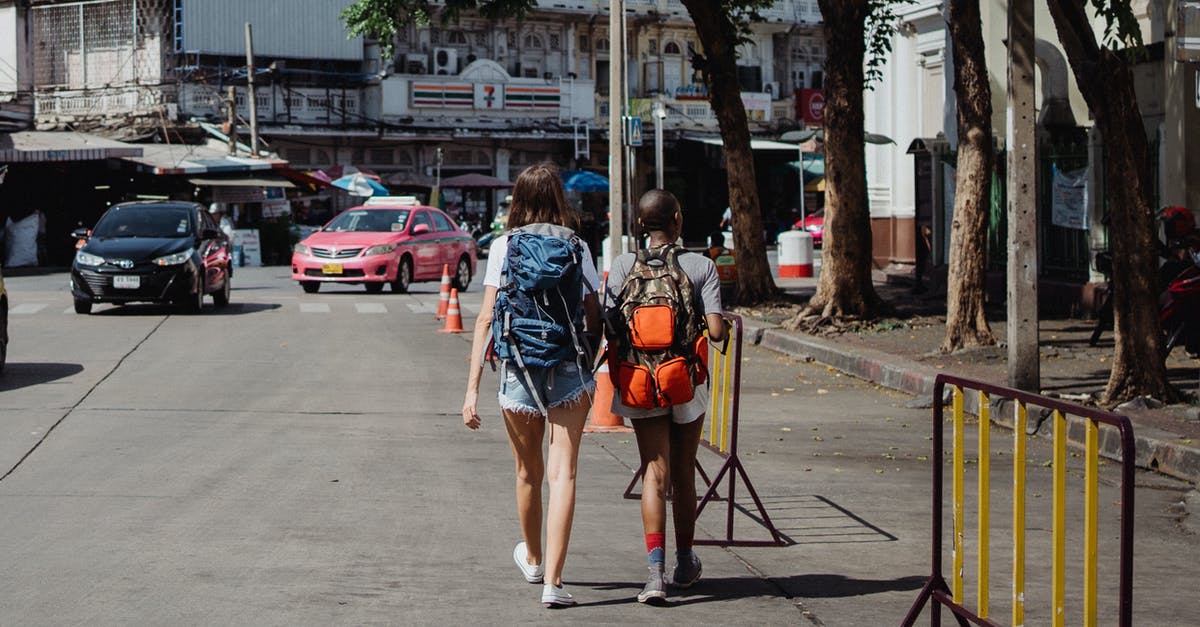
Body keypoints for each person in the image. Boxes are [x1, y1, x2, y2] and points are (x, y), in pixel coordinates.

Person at [461, 163, 602, 608]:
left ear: (518, 200)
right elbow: (593, 312)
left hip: (519, 367)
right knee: (565, 474)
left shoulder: (504, 246)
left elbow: (485, 318)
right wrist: (590, 361)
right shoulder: (578, 246)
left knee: (528, 472)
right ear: (559, 198)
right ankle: (554, 584)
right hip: (568, 368)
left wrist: (470, 391)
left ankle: (535, 558)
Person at [605, 190, 727, 604]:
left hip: (640, 382)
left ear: (640, 225)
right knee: (683, 473)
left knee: (654, 473)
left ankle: (654, 575)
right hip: (684, 383)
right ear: (677, 218)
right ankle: (685, 561)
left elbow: (610, 323)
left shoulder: (623, 266)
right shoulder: (701, 266)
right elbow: (715, 331)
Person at [706, 230, 737, 306]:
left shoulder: (709, 252)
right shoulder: (732, 252)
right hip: (733, 286)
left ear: (712, 242)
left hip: (717, 287)